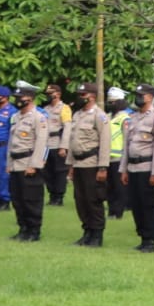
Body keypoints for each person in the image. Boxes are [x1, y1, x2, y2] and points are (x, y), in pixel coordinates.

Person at [120, 84, 154, 252]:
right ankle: (142, 236)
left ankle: (150, 240)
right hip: (133, 167)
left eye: (142, 95)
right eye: (137, 95)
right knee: (136, 204)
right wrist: (123, 169)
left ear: (150, 97)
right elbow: (127, 145)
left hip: (147, 167)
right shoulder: (132, 118)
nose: (138, 97)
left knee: (148, 204)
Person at [65, 83, 111, 247]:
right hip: (78, 163)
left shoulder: (100, 116)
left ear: (91, 96)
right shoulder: (77, 115)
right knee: (80, 200)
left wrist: (103, 167)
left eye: (82, 94)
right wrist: (70, 165)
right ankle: (87, 232)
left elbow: (105, 142)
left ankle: (97, 235)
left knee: (93, 200)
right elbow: (73, 141)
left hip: (92, 163)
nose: (79, 97)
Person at [5, 82, 49, 241]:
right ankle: (23, 228)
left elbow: (42, 143)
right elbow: (12, 141)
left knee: (31, 199)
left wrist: (34, 165)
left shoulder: (39, 117)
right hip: (16, 164)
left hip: (28, 163)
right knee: (17, 199)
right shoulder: (15, 117)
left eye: (20, 97)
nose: (17, 100)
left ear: (30, 98)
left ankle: (34, 231)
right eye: (15, 97)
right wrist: (9, 163)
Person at [40, 83, 71, 207]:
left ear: (58, 94)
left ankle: (58, 197)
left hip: (58, 142)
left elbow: (67, 128)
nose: (48, 96)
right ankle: (52, 195)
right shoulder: (46, 109)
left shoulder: (64, 108)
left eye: (50, 93)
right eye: (47, 94)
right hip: (46, 145)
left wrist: (64, 146)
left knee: (60, 172)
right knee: (47, 172)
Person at [105, 88, 132, 221]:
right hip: (107, 158)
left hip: (119, 158)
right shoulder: (109, 116)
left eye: (113, 102)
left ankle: (118, 211)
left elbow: (127, 139)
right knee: (109, 187)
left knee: (119, 187)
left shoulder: (125, 118)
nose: (110, 104)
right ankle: (111, 210)